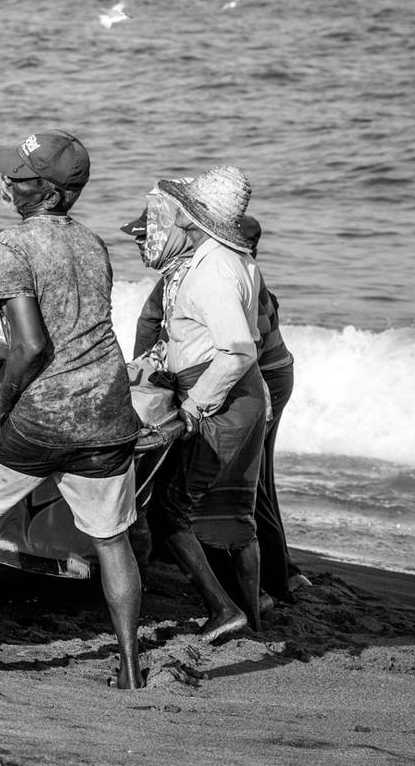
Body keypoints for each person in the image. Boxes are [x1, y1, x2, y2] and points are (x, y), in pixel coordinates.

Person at [0, 130, 144, 690]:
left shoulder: (11, 245)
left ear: (46, 193)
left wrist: (0, 403)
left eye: (19, 178)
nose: (7, 183)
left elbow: (29, 345)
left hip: (48, 413)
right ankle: (129, 667)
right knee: (110, 537)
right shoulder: (93, 242)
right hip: (110, 411)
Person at [125, 209, 309, 604]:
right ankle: (272, 580)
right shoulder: (220, 269)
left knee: (247, 486)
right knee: (243, 486)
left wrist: (188, 397)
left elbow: (246, 346)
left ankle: (277, 580)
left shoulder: (214, 272)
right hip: (247, 380)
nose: (141, 245)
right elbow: (157, 325)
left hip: (256, 381)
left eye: (145, 237)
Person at [142, 166, 267, 638]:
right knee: (235, 514)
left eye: (182, 206)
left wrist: (194, 407)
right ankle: (251, 620)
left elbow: (236, 350)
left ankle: (223, 610)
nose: (172, 211)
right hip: (243, 395)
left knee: (167, 509)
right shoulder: (235, 258)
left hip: (220, 397)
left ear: (193, 217)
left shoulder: (213, 268)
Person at [239, 215, 310, 602]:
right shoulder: (248, 271)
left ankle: (279, 577)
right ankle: (284, 568)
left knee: (254, 481)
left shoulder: (244, 272)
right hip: (274, 373)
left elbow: (256, 340)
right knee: (261, 477)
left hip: (268, 378)